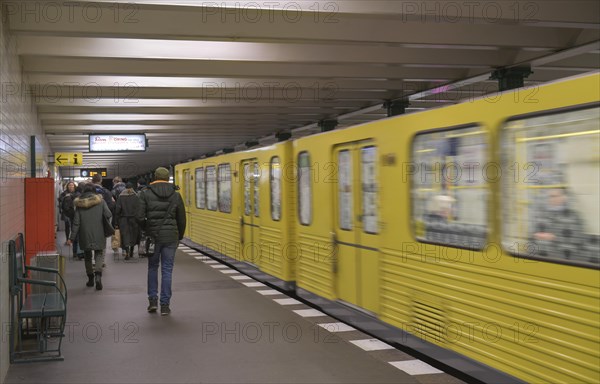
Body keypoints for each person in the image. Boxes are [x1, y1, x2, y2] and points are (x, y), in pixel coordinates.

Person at [137, 167, 186, 315]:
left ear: (155, 177)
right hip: (171, 237)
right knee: (167, 270)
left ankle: (152, 301)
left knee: (152, 268)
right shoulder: (176, 195)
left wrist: (147, 228)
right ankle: (165, 305)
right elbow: (182, 219)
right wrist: (179, 236)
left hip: (153, 237)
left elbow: (138, 217)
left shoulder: (145, 194)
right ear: (167, 178)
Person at [67, 183, 112, 290]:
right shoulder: (101, 201)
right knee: (99, 254)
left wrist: (71, 238)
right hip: (99, 232)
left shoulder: (79, 204)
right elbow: (108, 214)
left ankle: (90, 279)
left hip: (84, 233)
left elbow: (76, 222)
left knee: (87, 256)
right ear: (94, 191)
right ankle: (98, 276)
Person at [533, 187, 584, 259]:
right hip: (544, 257)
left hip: (564, 259)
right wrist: (538, 236)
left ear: (564, 198)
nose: (551, 199)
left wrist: (554, 237)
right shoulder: (542, 214)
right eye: (550, 196)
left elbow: (579, 240)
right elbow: (533, 235)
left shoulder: (573, 216)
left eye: (554, 196)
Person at [115, 182, 141, 261]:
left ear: (125, 188)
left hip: (124, 219)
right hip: (134, 219)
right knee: (133, 235)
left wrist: (116, 222)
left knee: (125, 235)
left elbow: (117, 210)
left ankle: (127, 252)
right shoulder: (136, 197)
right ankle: (132, 251)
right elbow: (140, 208)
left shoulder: (121, 197)